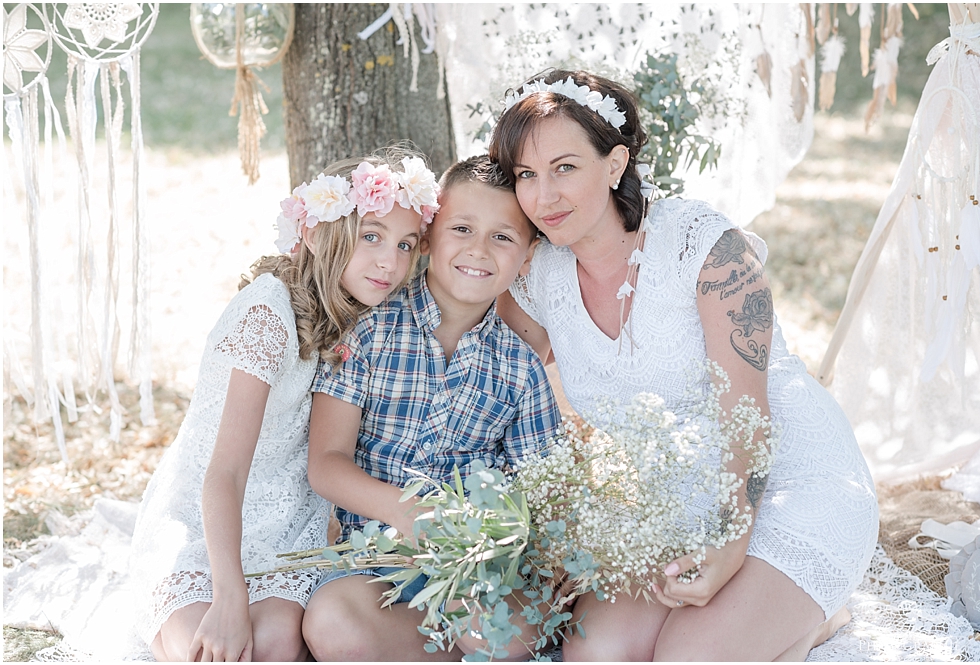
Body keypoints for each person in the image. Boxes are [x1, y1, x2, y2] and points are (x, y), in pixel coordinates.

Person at [489, 70, 879, 661]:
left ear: (616, 164)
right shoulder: (538, 276)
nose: (543, 197)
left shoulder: (704, 246)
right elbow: (484, 363)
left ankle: (811, 619)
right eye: (526, 176)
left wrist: (730, 537)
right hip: (667, 507)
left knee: (688, 658)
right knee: (595, 653)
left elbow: (745, 408)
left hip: (786, 483)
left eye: (565, 167)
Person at [129, 149, 440, 662]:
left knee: (272, 642)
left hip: (289, 520)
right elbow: (223, 473)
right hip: (207, 515)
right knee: (208, 650)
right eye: (371, 236)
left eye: (406, 245)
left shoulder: (356, 313)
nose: (391, 260)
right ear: (318, 235)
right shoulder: (266, 313)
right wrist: (229, 598)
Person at [302, 156, 562, 661]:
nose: (478, 250)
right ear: (427, 238)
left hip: (472, 570)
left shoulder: (520, 368)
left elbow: (544, 490)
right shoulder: (371, 331)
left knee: (513, 636)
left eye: (503, 238)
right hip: (376, 565)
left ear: (528, 257)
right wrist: (405, 511)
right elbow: (326, 463)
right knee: (333, 622)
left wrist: (491, 542)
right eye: (461, 228)